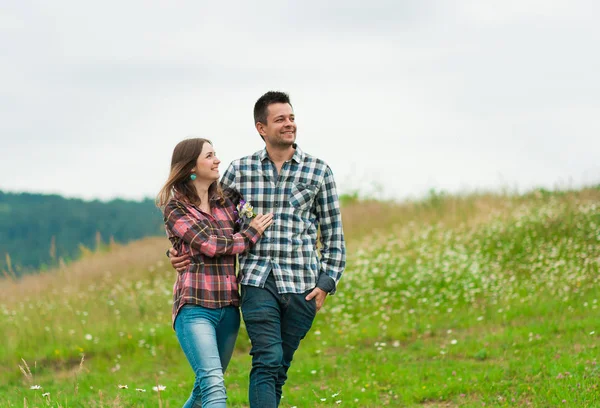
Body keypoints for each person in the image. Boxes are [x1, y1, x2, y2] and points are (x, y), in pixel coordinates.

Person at [170, 91, 346, 408]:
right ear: (261, 127)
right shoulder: (240, 172)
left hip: (302, 285)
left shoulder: (319, 171)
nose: (289, 124)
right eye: (280, 119)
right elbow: (209, 219)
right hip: (256, 281)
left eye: (291, 117)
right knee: (268, 358)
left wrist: (326, 283)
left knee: (278, 367)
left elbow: (333, 235)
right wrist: (176, 251)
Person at [157, 138, 274, 408]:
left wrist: (172, 253)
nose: (217, 160)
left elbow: (235, 229)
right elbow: (210, 245)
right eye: (209, 156)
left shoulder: (226, 202)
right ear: (191, 167)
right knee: (214, 387)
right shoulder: (176, 209)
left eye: (215, 154)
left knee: (204, 389)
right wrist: (252, 233)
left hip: (229, 309)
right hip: (195, 308)